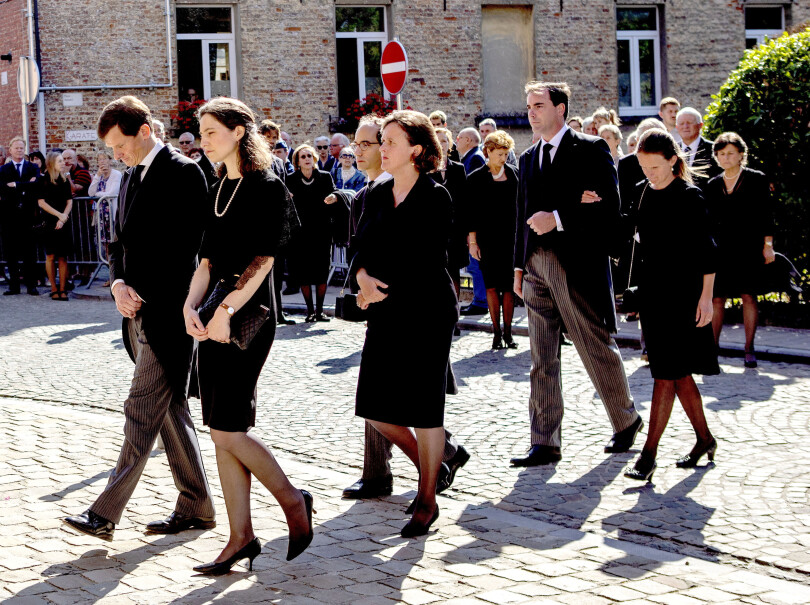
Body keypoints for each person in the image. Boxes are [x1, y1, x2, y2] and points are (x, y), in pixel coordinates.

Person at [63, 95, 215, 542]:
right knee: (169, 412)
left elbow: (185, 252)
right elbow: (117, 245)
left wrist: (139, 289)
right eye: (111, 149)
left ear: (144, 131)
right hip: (136, 316)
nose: (115, 155)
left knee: (140, 410)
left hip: (170, 314)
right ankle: (197, 506)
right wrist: (117, 284)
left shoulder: (185, 173)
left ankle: (105, 513)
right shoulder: (130, 177)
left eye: (119, 145)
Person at [183, 97, 313, 574]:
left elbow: (264, 261)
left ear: (240, 132)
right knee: (221, 430)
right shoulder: (217, 186)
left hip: (250, 313)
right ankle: (240, 537)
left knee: (228, 428)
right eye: (201, 131)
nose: (204, 139)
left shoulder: (267, 187)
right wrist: (190, 305)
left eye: (212, 131)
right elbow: (206, 262)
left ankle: (293, 501)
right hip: (214, 309)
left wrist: (226, 311)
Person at [334, 115, 470, 502]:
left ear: (416, 149)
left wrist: (377, 292)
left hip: (427, 311)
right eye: (383, 140)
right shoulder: (377, 194)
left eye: (390, 141)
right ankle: (435, 464)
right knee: (374, 407)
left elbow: (423, 260)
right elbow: (361, 246)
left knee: (426, 411)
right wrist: (361, 279)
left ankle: (426, 500)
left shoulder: (434, 195)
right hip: (385, 314)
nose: (383, 147)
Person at [511, 81, 641, 467]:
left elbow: (609, 206)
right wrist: (518, 266)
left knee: (593, 345)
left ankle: (625, 418)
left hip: (575, 265)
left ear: (561, 109)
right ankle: (545, 441)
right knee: (541, 356)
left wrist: (560, 217)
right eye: (528, 105)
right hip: (534, 265)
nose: (531, 112)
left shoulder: (590, 148)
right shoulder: (528, 157)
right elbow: (522, 216)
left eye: (539, 104)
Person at [623, 128, 719, 482]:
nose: (649, 173)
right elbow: (629, 238)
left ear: (673, 161)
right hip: (654, 297)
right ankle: (705, 439)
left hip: (685, 295)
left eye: (655, 167)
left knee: (666, 374)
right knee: (677, 374)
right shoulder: (642, 193)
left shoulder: (689, 196)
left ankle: (648, 456)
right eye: (644, 166)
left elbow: (708, 250)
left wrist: (706, 298)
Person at [706, 132, 775, 369]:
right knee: (717, 299)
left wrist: (768, 245)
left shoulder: (756, 179)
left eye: (731, 153)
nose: (726, 158)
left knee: (748, 295)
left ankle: (749, 349)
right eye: (721, 154)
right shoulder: (712, 185)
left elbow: (767, 214)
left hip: (748, 248)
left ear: (741, 155)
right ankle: (711, 350)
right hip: (721, 251)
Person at [468, 131, 519, 350]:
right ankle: (496, 332)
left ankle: (508, 333)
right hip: (487, 239)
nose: (503, 158)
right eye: (499, 153)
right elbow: (470, 213)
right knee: (491, 287)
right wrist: (472, 241)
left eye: (506, 154)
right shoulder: (476, 178)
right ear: (488, 152)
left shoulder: (515, 175)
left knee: (508, 288)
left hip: (511, 239)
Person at [287, 143, 337, 322]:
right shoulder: (291, 179)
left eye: (310, 156)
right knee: (303, 271)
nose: (307, 159)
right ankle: (309, 311)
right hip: (299, 233)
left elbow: (335, 194)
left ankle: (320, 311)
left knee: (321, 270)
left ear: (314, 159)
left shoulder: (324, 177)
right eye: (303, 157)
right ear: (297, 161)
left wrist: (335, 197)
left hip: (321, 231)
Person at [431, 127, 469, 308]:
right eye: (437, 141)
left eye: (444, 141)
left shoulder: (459, 169)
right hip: (435, 230)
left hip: (456, 232)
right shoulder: (427, 169)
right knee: (436, 273)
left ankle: (454, 315)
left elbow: (464, 202)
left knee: (454, 272)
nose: (441, 144)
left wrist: (467, 232)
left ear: (450, 144)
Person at [0, 136, 40, 295]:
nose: (19, 150)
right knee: (11, 253)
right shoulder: (3, 169)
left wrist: (16, 185)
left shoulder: (32, 167)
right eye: (16, 148)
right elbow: (2, 188)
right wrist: (26, 185)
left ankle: (31, 285)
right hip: (9, 216)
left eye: (21, 148)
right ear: (10, 150)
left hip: (28, 216)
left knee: (30, 252)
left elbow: (36, 184)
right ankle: (14, 285)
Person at [455, 127, 488, 316]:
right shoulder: (471, 157)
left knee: (475, 264)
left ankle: (481, 301)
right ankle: (480, 299)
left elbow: (473, 192)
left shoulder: (474, 158)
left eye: (459, 138)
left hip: (475, 221)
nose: (456, 142)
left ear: (468, 140)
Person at [37, 152, 73, 301]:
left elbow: (69, 201)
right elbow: (41, 202)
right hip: (49, 222)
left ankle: (63, 288)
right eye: (60, 161)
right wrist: (59, 215)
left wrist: (63, 218)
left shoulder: (64, 181)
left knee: (63, 257)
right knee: (50, 256)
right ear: (52, 163)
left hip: (63, 222)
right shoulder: (43, 180)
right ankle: (53, 288)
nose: (63, 163)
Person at [676, 107, 721, 186]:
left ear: (700, 125)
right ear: (677, 127)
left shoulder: (715, 149)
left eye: (689, 122)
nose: (685, 126)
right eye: (681, 123)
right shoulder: (672, 149)